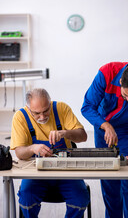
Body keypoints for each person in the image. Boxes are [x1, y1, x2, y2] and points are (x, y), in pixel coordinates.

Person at [81, 62, 128, 218]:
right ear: (121, 81)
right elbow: (87, 107)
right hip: (103, 127)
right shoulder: (106, 73)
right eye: (126, 95)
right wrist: (105, 125)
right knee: (109, 180)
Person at [10, 88, 90, 218]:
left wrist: (65, 133)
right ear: (28, 108)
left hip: (66, 170)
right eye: (37, 113)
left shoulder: (62, 109)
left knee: (80, 199)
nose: (42, 117)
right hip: (36, 173)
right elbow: (19, 152)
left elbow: (83, 136)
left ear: (50, 102)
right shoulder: (20, 117)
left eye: (46, 111)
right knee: (26, 198)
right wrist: (32, 149)